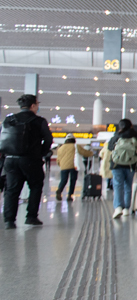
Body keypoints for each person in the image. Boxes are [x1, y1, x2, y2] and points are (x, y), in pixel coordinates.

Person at [0, 94, 53, 228]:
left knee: (11, 190)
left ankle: (9, 221)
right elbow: (48, 139)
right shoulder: (39, 121)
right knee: (35, 186)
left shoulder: (9, 119)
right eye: (37, 104)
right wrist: (41, 153)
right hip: (31, 160)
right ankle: (31, 217)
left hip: (10, 160)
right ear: (33, 105)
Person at [106, 119, 137, 218]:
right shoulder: (136, 137)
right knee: (128, 186)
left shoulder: (117, 136)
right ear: (131, 126)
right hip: (131, 165)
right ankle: (126, 209)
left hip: (117, 165)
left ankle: (118, 207)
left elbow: (109, 147)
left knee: (118, 185)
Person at [55, 134, 92, 201]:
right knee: (73, 180)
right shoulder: (76, 146)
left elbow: (58, 159)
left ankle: (59, 190)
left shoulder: (61, 148)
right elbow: (84, 153)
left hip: (63, 166)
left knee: (63, 180)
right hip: (73, 166)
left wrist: (60, 165)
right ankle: (69, 195)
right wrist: (92, 153)